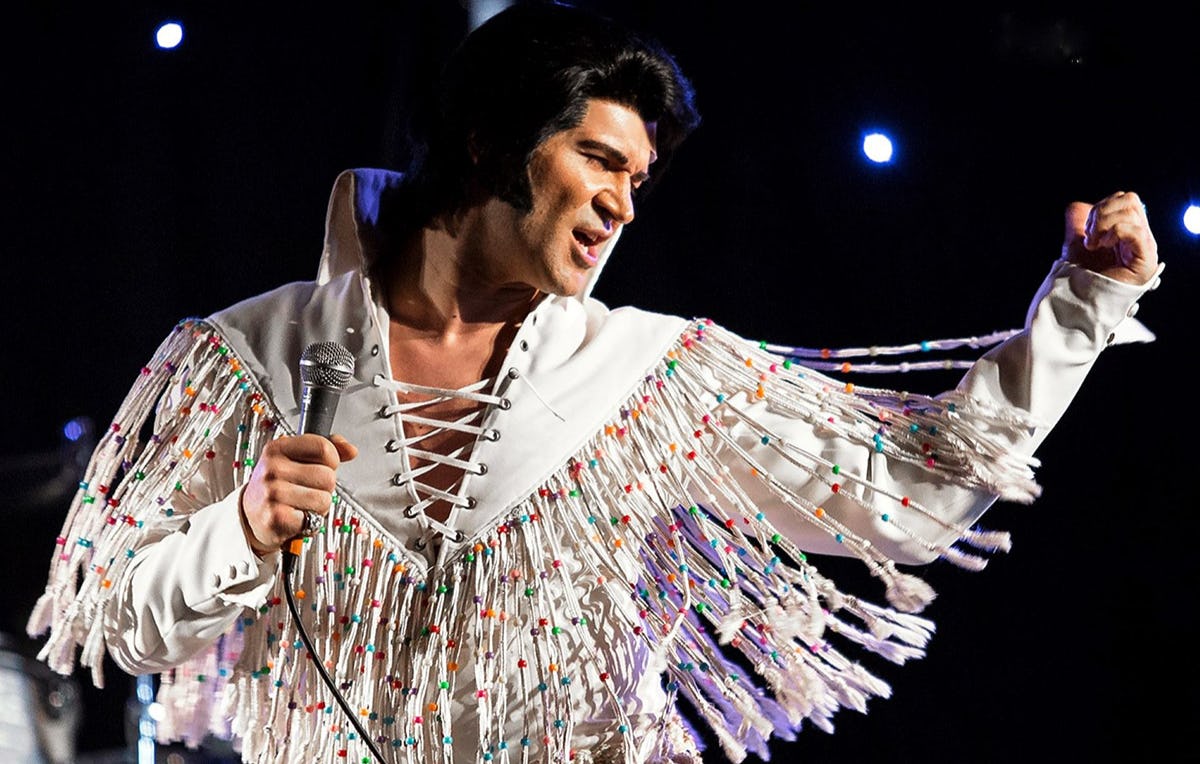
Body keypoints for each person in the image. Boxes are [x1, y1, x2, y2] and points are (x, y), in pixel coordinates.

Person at [25, 2, 1162, 763]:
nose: (622, 201)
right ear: (489, 141)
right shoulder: (247, 357)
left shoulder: (648, 375)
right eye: (599, 159)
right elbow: (114, 620)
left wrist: (1082, 307)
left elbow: (910, 501)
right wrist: (239, 528)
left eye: (639, 179)